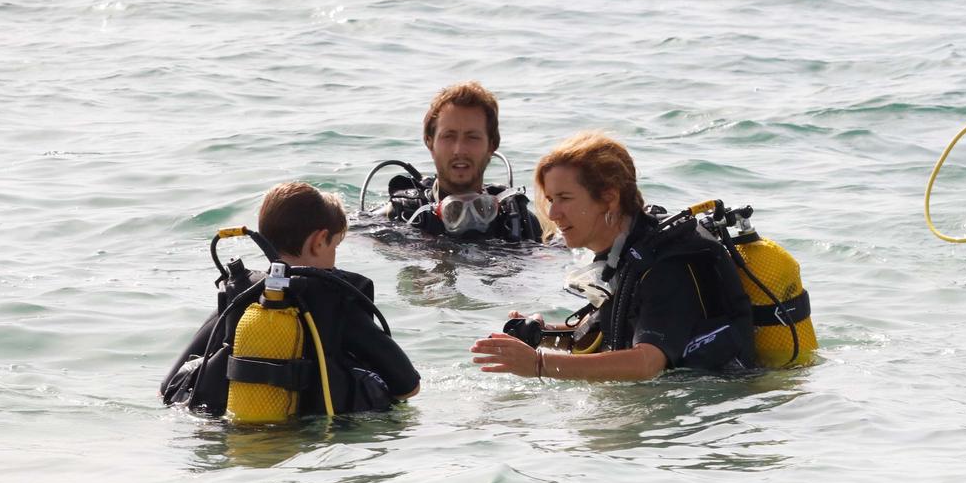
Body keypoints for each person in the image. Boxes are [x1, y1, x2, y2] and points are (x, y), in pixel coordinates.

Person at [469, 132, 756, 381]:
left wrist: (540, 365)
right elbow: (612, 335)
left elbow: (646, 363)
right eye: (551, 200)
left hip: (713, 411)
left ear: (609, 198)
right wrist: (541, 335)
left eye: (565, 198)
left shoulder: (667, 263)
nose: (554, 214)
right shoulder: (626, 253)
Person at [161, 182, 421, 414]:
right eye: (334, 246)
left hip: (238, 427)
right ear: (319, 241)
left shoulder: (240, 297)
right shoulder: (335, 300)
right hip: (318, 436)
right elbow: (408, 386)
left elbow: (168, 387)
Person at [383, 81, 541, 242]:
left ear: (492, 145)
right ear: (430, 142)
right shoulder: (398, 218)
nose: (459, 150)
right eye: (449, 136)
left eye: (472, 137)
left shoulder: (521, 225)